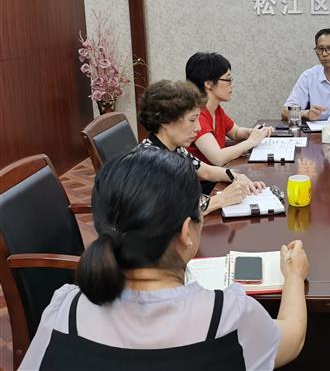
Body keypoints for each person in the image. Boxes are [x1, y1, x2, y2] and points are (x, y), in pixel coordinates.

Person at [20, 148, 309, 370]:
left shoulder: (64, 310)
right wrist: (294, 275)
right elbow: (292, 339)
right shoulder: (228, 317)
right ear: (186, 231)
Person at [138, 79, 264, 210]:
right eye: (192, 120)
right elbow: (174, 213)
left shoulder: (175, 148)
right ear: (165, 120)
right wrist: (221, 199)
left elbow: (207, 172)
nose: (198, 128)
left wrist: (238, 177)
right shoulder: (151, 162)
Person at [185, 52, 273, 166]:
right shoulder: (198, 115)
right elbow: (218, 158)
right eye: (228, 79)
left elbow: (235, 132)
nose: (232, 84)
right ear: (209, 84)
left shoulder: (216, 109)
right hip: (203, 177)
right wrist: (252, 141)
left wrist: (255, 132)